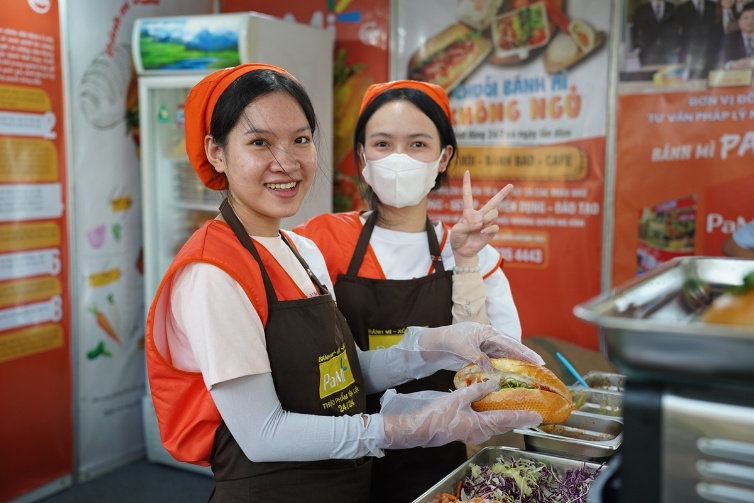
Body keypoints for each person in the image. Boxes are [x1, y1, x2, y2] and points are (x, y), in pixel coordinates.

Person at [144, 63, 544, 502]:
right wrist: (401, 427)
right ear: (217, 153)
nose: (286, 162)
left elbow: (348, 373)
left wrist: (432, 347)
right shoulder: (213, 272)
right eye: (260, 142)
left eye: (300, 139)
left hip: (347, 486)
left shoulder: (301, 250)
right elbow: (263, 433)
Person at [294, 80, 522, 501]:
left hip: (436, 462)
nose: (398, 158)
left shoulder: (474, 252)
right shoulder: (318, 243)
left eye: (417, 144)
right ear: (362, 154)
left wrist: (467, 262)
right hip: (336, 457)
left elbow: (498, 370)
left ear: (443, 157)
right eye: (382, 143)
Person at [676, 0, 724, 78]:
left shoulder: (713, 6)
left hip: (710, 50)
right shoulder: (682, 8)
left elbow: (718, 28)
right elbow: (677, 29)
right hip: (689, 51)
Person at [631, 0, 680, 66]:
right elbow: (635, 29)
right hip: (647, 52)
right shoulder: (642, 9)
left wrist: (676, 45)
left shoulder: (671, 7)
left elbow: (677, 27)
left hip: (668, 51)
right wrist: (637, 47)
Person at [720, 3, 754, 69]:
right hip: (738, 75)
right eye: (746, 18)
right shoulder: (731, 38)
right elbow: (721, 60)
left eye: (753, 17)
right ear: (739, 22)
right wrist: (732, 65)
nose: (750, 21)